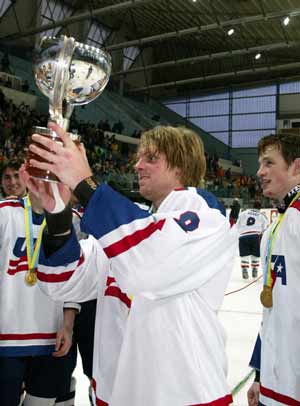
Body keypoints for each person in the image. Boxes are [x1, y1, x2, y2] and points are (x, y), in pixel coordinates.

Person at [22, 124, 237, 405]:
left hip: (182, 395)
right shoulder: (127, 235)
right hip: (120, 393)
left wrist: (84, 184)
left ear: (180, 166)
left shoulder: (205, 214)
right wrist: (58, 214)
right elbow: (62, 282)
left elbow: (147, 268)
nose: (137, 166)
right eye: (139, 158)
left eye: (151, 158)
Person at [0, 187, 80, 406]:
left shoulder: (71, 220)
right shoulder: (5, 213)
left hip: (52, 338)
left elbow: (75, 280)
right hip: (6, 338)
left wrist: (68, 325)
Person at [247, 132, 300, 406]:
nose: (260, 171)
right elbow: (272, 311)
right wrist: (260, 374)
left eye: (269, 163)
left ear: (296, 166)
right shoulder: (275, 227)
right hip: (275, 384)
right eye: (260, 163)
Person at [236, 201, 268, 279]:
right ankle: (255, 269)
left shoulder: (244, 213)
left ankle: (245, 269)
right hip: (255, 236)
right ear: (260, 208)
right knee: (255, 254)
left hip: (243, 236)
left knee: (244, 254)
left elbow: (237, 224)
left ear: (252, 206)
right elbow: (265, 229)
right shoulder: (262, 216)